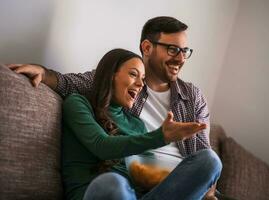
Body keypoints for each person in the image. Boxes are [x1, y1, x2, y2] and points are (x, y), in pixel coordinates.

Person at [8, 16, 226, 199]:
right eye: (172, 49)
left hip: (167, 188)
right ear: (147, 47)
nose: (180, 58)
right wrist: (45, 74)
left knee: (210, 160)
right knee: (111, 183)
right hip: (116, 189)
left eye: (184, 51)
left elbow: (201, 153)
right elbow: (71, 83)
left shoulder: (190, 97)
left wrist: (204, 190)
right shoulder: (83, 100)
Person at [62, 48, 212, 200]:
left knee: (208, 160)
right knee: (112, 183)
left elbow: (145, 175)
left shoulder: (136, 124)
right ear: (111, 75)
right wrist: (161, 136)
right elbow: (102, 145)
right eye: (133, 74)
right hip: (96, 193)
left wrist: (190, 184)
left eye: (143, 78)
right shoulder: (78, 104)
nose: (141, 84)